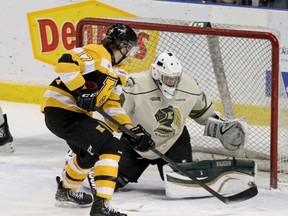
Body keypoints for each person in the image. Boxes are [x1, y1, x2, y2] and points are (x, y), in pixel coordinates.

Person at [41, 23, 155, 216]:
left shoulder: (117, 73)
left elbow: (111, 106)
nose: (130, 54)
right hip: (61, 111)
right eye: (130, 48)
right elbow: (65, 62)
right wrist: (82, 90)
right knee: (111, 146)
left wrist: (129, 130)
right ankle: (102, 206)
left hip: (73, 116)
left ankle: (66, 192)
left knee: (90, 154)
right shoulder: (96, 53)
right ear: (121, 45)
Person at [116, 52, 248, 189]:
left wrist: (221, 125)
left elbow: (203, 112)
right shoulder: (135, 85)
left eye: (175, 78)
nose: (172, 82)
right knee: (112, 182)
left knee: (182, 185)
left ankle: (182, 170)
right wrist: (131, 133)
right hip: (137, 142)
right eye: (167, 78)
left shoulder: (189, 85)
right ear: (156, 73)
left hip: (173, 142)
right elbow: (116, 113)